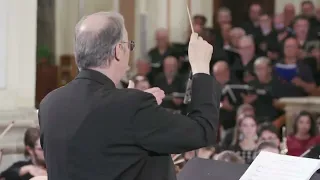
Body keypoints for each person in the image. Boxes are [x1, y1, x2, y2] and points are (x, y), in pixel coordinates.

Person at [38, 12, 221, 180]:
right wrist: (201, 69)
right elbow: (203, 130)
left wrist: (139, 110)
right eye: (129, 45)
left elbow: (101, 153)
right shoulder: (131, 105)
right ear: (118, 51)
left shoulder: (49, 104)